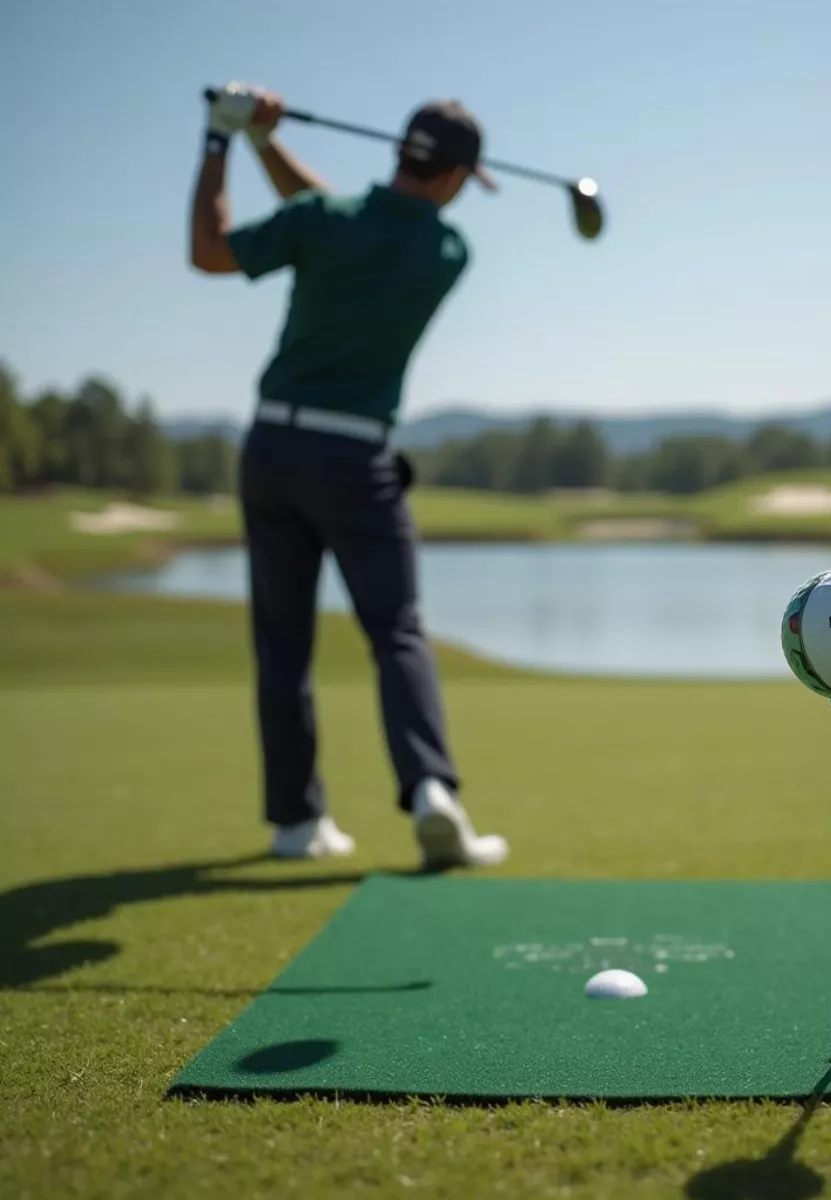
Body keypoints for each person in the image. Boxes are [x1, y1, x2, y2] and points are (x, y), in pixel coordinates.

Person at [189, 81, 508, 870]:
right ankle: (432, 789)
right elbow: (341, 218)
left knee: (282, 645)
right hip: (354, 458)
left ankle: (297, 825)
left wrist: (223, 139)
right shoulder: (444, 252)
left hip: (268, 451)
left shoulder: (325, 225)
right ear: (456, 176)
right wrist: (262, 141)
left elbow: (215, 250)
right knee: (394, 629)